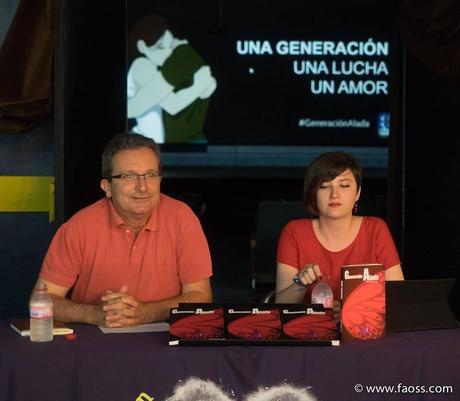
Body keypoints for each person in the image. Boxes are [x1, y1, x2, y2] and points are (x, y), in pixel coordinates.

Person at [34, 133, 212, 327]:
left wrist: (146, 312)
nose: (142, 187)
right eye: (129, 176)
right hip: (94, 345)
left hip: (165, 343)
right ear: (107, 187)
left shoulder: (182, 218)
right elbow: (43, 301)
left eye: (151, 175)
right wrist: (94, 314)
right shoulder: (78, 227)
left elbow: (201, 296)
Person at [275, 151, 404, 304]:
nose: (334, 194)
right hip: (310, 327)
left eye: (344, 185)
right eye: (324, 186)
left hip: (362, 327)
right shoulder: (294, 232)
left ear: (358, 193)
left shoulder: (376, 229)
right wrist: (301, 283)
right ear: (313, 193)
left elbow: (399, 298)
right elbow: (281, 306)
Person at [127, 14, 217, 144]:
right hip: (143, 145)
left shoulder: (160, 69)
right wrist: (198, 86)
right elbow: (172, 105)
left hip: (158, 146)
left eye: (171, 46)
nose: (168, 53)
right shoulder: (142, 65)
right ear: (142, 47)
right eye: (161, 47)